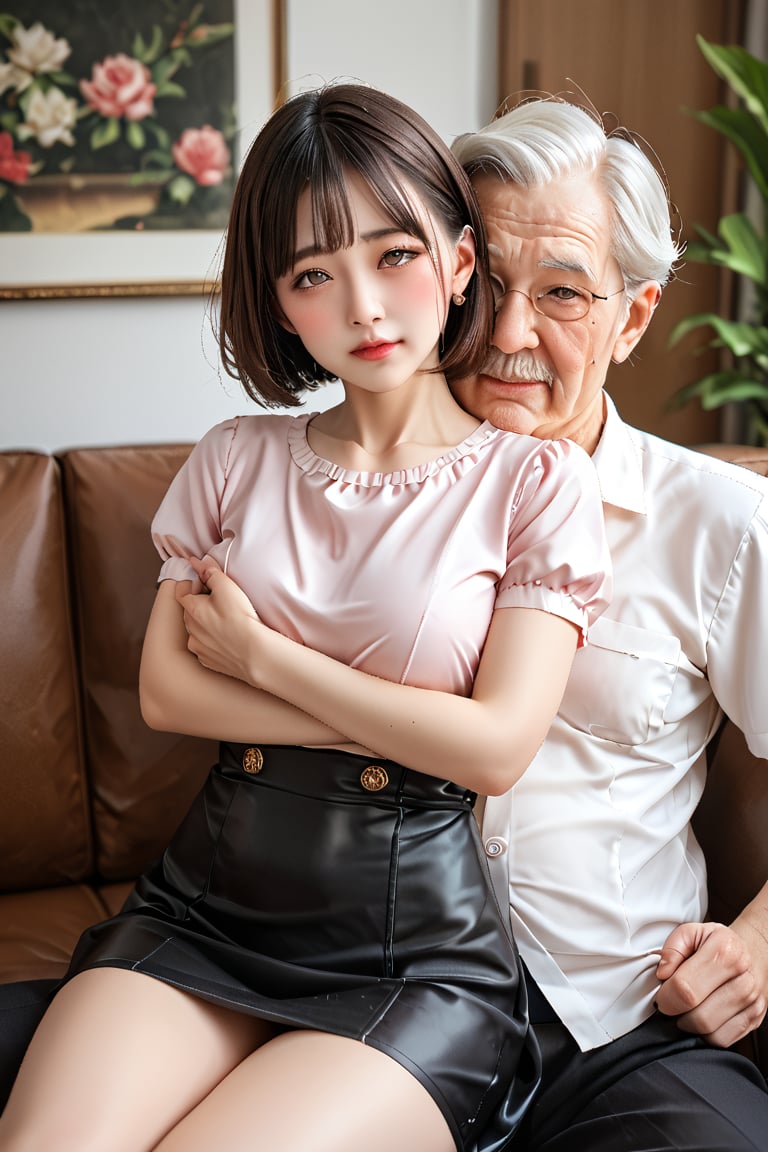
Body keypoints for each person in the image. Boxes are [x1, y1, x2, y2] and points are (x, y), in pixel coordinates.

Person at [0, 85, 611, 1152]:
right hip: (201, 912)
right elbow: (169, 692)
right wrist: (405, 721)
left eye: (394, 256)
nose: (365, 308)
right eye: (314, 275)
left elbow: (499, 747)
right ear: (282, 304)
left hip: (411, 957)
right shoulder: (238, 458)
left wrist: (263, 659)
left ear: (459, 262)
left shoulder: (533, 483)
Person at [444, 97, 768, 1150]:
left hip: (619, 1027)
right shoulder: (350, 494)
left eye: (563, 293)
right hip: (378, 1006)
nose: (509, 335)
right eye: (485, 285)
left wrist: (764, 944)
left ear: (632, 317)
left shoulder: (720, 523)